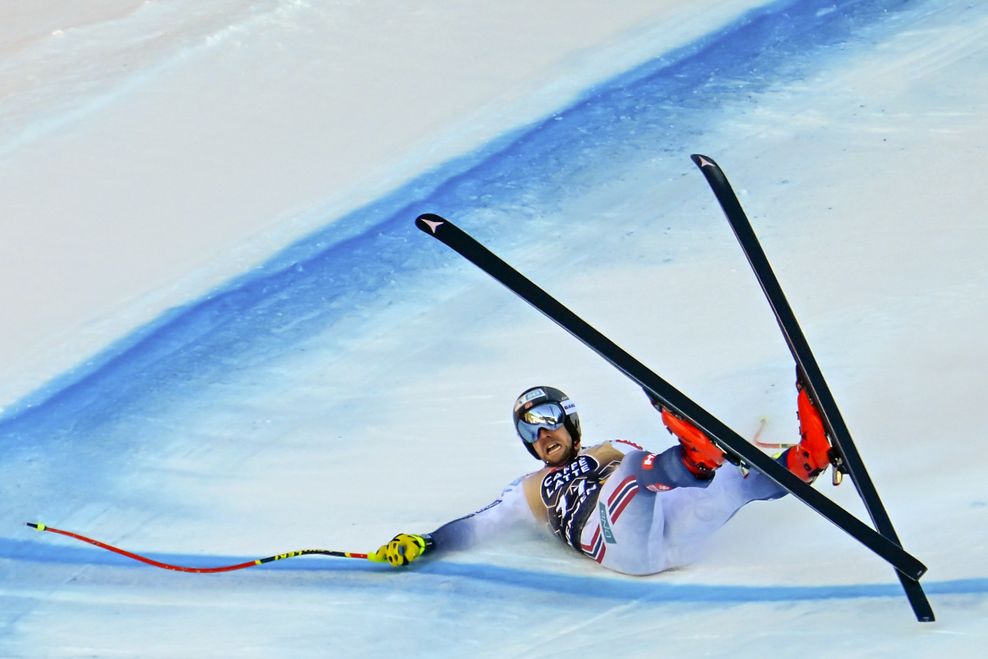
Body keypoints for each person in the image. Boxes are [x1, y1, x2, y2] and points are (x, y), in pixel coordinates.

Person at [369, 381, 833, 575]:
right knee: (636, 471)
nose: (541, 433)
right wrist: (427, 541)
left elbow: (677, 488)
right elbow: (475, 526)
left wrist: (729, 466)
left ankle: (808, 457)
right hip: (619, 544)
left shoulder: (614, 446)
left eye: (548, 419)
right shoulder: (526, 492)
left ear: (570, 421)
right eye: (529, 429)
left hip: (674, 538)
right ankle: (697, 454)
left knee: (732, 481)